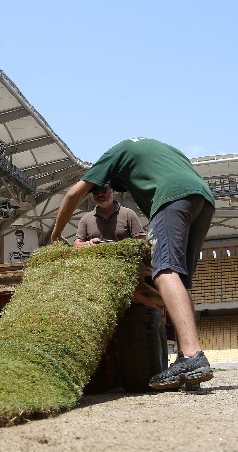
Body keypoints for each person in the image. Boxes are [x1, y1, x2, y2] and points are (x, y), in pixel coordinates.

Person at [51, 137, 215, 390]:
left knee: (165, 272)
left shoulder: (115, 153)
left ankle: (193, 356)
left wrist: (55, 235)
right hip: (203, 198)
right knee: (179, 280)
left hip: (171, 198)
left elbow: (73, 193)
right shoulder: (160, 149)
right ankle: (185, 360)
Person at [73, 184, 146, 248]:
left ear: (113, 190)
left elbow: (140, 241)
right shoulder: (86, 219)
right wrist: (88, 243)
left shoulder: (128, 214)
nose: (100, 194)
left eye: (103, 190)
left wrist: (121, 247)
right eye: (95, 192)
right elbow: (76, 244)